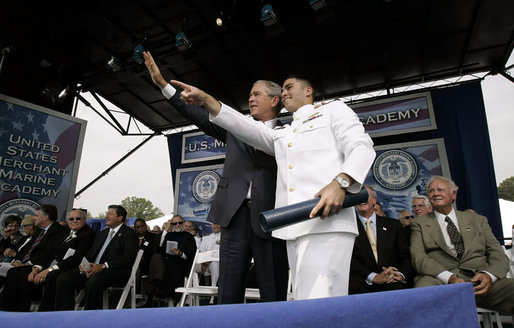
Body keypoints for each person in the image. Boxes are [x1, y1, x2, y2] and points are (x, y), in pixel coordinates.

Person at [171, 75, 375, 299]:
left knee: (322, 301)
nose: (285, 93)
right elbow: (243, 126)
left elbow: (361, 146)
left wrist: (342, 182)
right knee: (304, 300)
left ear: (308, 90)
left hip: (327, 221)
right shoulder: (285, 133)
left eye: (289, 87)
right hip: (293, 228)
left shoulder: (333, 110)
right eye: (283, 89)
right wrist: (206, 99)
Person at [144, 51, 289, 304]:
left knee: (273, 287)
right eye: (250, 94)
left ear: (275, 100)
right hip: (234, 215)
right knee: (228, 289)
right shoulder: (235, 127)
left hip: (271, 215)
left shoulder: (290, 132)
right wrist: (163, 86)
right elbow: (197, 114)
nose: (250, 98)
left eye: (257, 94)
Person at [410, 176, 514, 313]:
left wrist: (489, 275)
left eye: (440, 190)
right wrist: (450, 278)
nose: (435, 193)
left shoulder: (478, 220)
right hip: (439, 280)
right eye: (431, 191)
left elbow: (498, 254)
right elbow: (418, 257)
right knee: (422, 293)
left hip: (479, 280)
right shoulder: (419, 223)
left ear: (453, 194)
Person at [55, 205, 138, 310]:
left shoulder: (130, 234)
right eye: (107, 213)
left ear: (120, 217)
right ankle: (65, 315)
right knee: (64, 278)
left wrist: (103, 266)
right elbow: (91, 253)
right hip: (92, 270)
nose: (107, 216)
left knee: (94, 281)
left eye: (110, 214)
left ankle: (91, 318)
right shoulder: (101, 234)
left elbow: (127, 258)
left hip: (114, 271)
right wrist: (83, 265)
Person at [19, 209, 95, 311]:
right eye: (71, 219)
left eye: (78, 218)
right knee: (20, 272)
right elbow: (50, 253)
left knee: (53, 276)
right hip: (52, 264)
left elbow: (76, 258)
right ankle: (20, 310)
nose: (74, 221)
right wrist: (37, 268)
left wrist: (49, 269)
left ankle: (49, 312)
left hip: (69, 267)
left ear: (84, 220)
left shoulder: (88, 234)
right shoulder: (65, 232)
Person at [1, 204, 67, 311]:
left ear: (46, 217)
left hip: (43, 264)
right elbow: (28, 248)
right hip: (30, 262)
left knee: (22, 273)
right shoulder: (39, 231)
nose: (34, 218)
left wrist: (29, 264)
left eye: (36, 215)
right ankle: (8, 309)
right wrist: (19, 260)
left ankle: (22, 310)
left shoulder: (58, 231)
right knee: (12, 272)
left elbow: (49, 253)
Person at [349, 185, 412, 294]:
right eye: (358, 196)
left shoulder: (393, 225)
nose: (361, 199)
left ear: (374, 200)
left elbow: (405, 256)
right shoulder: (349, 228)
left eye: (365, 196)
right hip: (361, 282)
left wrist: (399, 275)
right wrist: (374, 277)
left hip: (391, 280)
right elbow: (350, 260)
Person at [145, 215, 196, 305]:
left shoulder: (189, 237)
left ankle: (168, 297)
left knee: (172, 267)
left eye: (179, 223)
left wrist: (180, 253)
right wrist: (165, 231)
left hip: (182, 263)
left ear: (183, 223)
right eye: (174, 223)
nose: (177, 225)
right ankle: (155, 291)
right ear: (171, 224)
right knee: (156, 257)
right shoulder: (169, 235)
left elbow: (192, 255)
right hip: (168, 262)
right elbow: (160, 249)